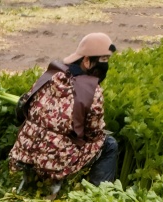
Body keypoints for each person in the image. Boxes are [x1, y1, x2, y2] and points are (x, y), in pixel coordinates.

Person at [9, 32, 119, 193]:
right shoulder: (91, 91)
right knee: (109, 144)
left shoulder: (50, 75)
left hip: (24, 150)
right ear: (87, 61)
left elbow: (25, 103)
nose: (106, 66)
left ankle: (29, 183)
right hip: (55, 160)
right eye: (103, 60)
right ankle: (100, 196)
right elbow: (94, 133)